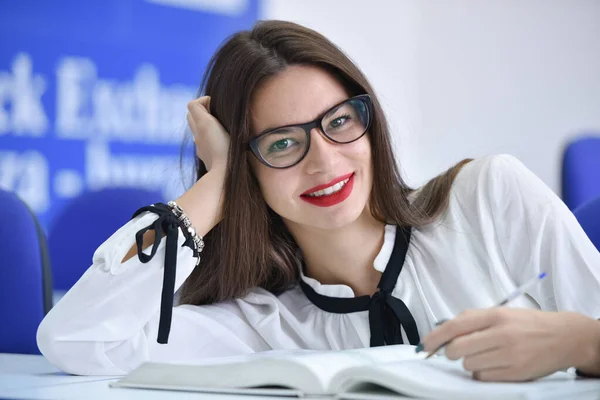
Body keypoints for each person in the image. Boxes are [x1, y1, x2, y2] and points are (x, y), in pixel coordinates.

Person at [37, 20, 600, 381]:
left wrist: (579, 342)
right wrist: (217, 185)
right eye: (282, 142)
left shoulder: (487, 197)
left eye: (338, 121)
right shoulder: (263, 320)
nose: (325, 160)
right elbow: (78, 342)